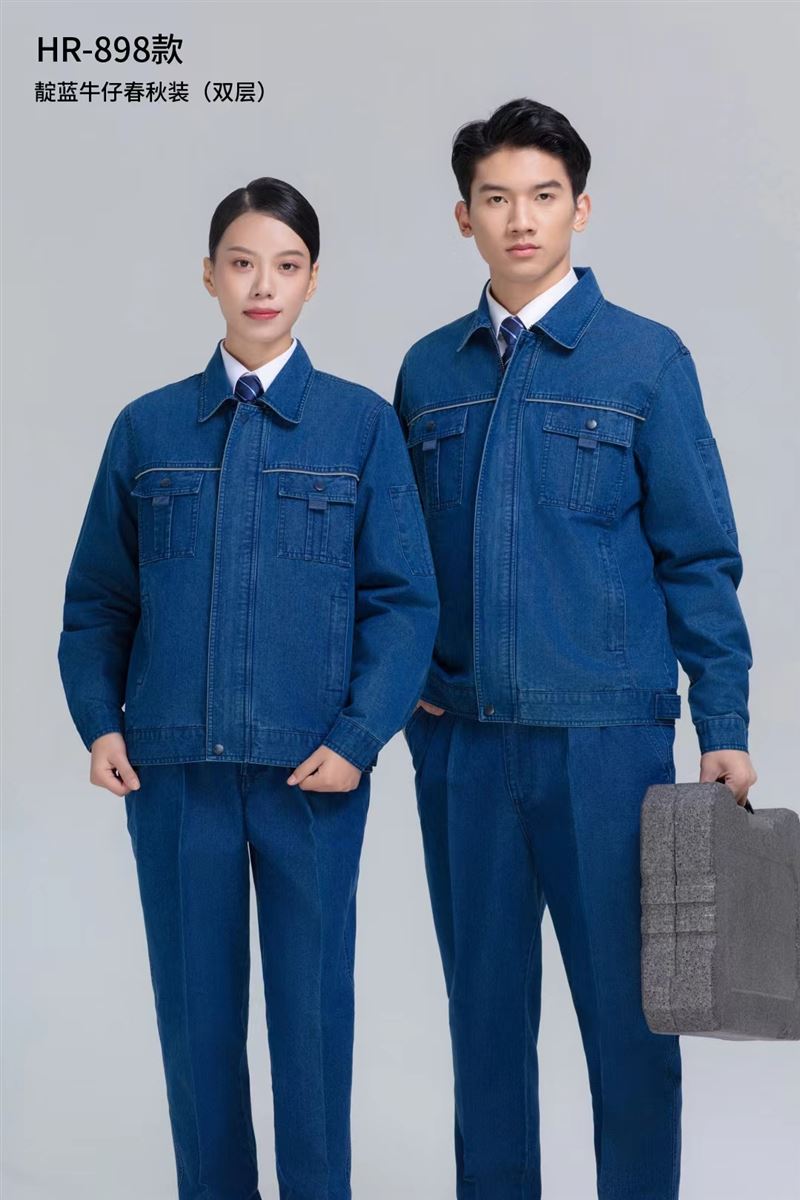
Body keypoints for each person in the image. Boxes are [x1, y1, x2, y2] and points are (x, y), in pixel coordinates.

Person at [393, 99, 757, 1200]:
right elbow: (392, 565)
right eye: (496, 197)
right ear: (463, 216)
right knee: (483, 1026)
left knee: (630, 1026)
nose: (521, 219)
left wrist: (723, 724)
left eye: (543, 196)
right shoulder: (428, 374)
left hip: (607, 748)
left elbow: (699, 555)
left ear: (580, 210)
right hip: (464, 749)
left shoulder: (645, 361)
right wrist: (404, 692)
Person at [57, 176, 439, 1200]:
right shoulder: (148, 430)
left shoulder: (359, 427)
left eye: (285, 265)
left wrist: (358, 738)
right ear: (208, 275)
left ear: (312, 280)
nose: (262, 284)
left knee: (312, 1027)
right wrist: (100, 724)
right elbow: (98, 601)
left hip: (310, 778)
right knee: (195, 1027)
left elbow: (404, 604)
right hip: (175, 776)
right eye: (241, 262)